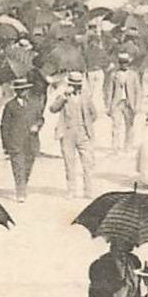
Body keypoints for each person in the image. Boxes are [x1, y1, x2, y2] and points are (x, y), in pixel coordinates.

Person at [48, 70, 96, 200]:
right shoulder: (64, 96)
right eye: (74, 84)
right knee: (69, 164)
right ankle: (71, 191)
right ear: (69, 84)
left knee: (88, 163)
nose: (76, 87)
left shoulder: (86, 96)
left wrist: (87, 125)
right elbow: (52, 109)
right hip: (67, 133)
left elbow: (94, 113)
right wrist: (63, 97)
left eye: (78, 84)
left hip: (83, 133)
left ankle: (89, 191)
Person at [0, 78, 42, 203]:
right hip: (16, 142)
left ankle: (23, 184)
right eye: (20, 90)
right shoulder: (10, 105)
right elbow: (4, 126)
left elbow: (40, 118)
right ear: (16, 91)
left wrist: (37, 126)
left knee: (28, 167)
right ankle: (20, 191)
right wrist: (6, 145)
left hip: (31, 142)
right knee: (18, 167)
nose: (23, 92)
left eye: (25, 90)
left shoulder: (34, 103)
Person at [105, 51, 143, 156]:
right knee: (116, 126)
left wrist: (137, 105)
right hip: (117, 103)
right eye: (121, 63)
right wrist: (108, 106)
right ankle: (115, 147)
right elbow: (109, 91)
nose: (124, 65)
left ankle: (128, 146)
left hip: (129, 103)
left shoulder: (133, 75)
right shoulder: (114, 75)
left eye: (125, 62)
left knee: (129, 126)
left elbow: (138, 91)